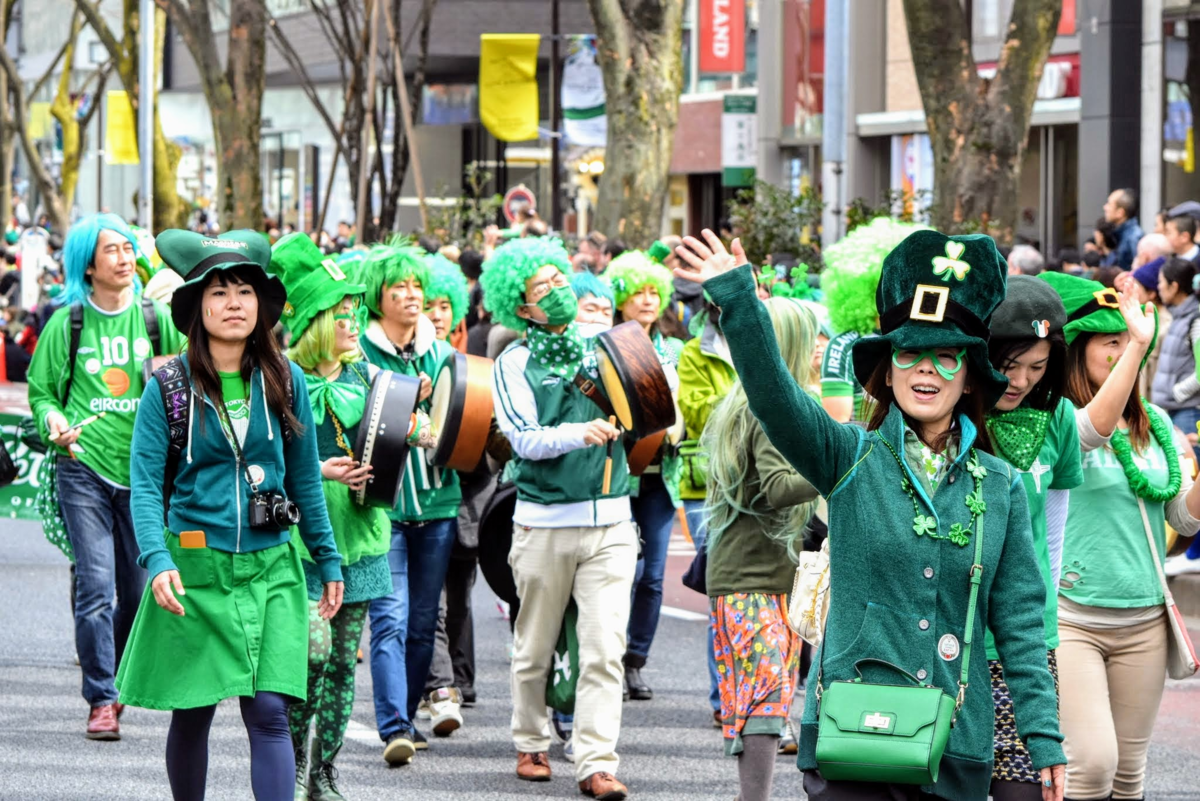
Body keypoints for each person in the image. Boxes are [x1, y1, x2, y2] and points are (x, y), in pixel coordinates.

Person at [674, 228, 1067, 801]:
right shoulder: (848, 456)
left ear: (969, 377)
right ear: (887, 369)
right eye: (909, 353)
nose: (926, 370)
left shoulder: (1001, 484)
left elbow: (1021, 624)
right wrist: (738, 298)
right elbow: (775, 397)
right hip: (853, 734)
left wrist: (1043, 736)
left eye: (946, 356)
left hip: (956, 743)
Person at [115, 230, 344, 801]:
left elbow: (306, 479)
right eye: (219, 293)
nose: (234, 303)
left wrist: (329, 558)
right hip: (196, 571)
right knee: (192, 713)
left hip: (273, 568)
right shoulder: (167, 386)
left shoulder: (286, 379)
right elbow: (144, 486)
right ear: (198, 308)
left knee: (269, 711)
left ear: (261, 306)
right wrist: (157, 558)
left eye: (244, 290)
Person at [484, 236, 634, 800]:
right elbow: (522, 438)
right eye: (542, 287)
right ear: (522, 308)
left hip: (614, 523)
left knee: (602, 648)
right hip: (543, 523)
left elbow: (650, 396)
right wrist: (581, 433)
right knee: (534, 646)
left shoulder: (604, 344)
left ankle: (595, 760)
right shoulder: (513, 362)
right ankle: (530, 741)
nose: (558, 291)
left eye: (559, 278)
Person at [1041, 271, 1200, 801]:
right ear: (1078, 350)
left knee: (1130, 774)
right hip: (1072, 618)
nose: (1126, 349)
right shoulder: (1061, 422)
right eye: (1111, 341)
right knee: (1091, 765)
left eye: (1130, 342)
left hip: (1145, 620)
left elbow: (1182, 519)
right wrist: (1137, 346)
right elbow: (1094, 431)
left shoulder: (1157, 424)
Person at [26, 213, 185, 740]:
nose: (123, 257)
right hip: (83, 470)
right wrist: (54, 421)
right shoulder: (67, 323)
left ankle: (112, 673)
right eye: (110, 250)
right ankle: (102, 697)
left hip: (141, 474)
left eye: (126, 247)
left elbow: (182, 380)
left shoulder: (156, 318)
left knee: (138, 595)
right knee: (95, 588)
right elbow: (43, 391)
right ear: (87, 266)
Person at [271, 233, 400, 798]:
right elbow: (259, 458)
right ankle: (294, 765)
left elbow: (403, 432)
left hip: (362, 536)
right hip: (299, 540)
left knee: (346, 664)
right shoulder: (276, 379)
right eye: (340, 312)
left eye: (354, 311)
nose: (352, 321)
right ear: (313, 320)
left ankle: (325, 773)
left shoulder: (369, 376)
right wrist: (321, 470)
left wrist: (416, 431)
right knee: (312, 655)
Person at [703, 297, 820, 801]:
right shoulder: (768, 408)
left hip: (750, 575)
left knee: (758, 699)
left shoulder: (745, 397)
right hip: (754, 578)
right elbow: (777, 487)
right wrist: (836, 462)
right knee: (767, 702)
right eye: (812, 339)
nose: (820, 350)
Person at [358, 242, 461, 764]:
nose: (410, 296)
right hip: (384, 508)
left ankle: (411, 715)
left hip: (439, 504)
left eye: (417, 286)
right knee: (390, 619)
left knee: (424, 622)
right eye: (398, 287)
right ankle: (394, 724)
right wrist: (405, 402)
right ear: (377, 297)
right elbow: (360, 423)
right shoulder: (358, 352)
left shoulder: (443, 354)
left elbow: (462, 422)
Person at [984, 277, 1083, 801]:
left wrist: (1049, 611)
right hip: (955, 633)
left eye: (1038, 367)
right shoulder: (954, 416)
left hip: (1026, 638)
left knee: (1024, 787)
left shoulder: (1058, 416)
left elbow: (1053, 527)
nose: (1022, 380)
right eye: (1011, 364)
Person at [605, 250, 684, 702]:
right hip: (617, 475)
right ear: (621, 298)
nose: (649, 300)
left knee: (652, 575)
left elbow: (683, 411)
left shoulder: (672, 349)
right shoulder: (608, 343)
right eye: (640, 292)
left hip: (661, 475)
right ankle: (607, 659)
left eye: (655, 292)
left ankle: (636, 660)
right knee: (620, 573)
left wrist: (676, 428)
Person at [417, 251, 475, 737]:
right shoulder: (411, 361)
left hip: (465, 496)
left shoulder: (470, 360)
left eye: (443, 305)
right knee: (428, 606)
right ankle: (441, 686)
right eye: (426, 305)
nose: (436, 314)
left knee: (459, 598)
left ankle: (459, 678)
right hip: (417, 500)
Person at [676, 291, 737, 728]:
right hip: (707, 484)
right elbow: (697, 413)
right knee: (719, 589)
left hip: (759, 488)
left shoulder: (770, 342)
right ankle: (724, 698)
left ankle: (762, 701)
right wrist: (746, 395)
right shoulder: (694, 353)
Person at [819, 218, 923, 422]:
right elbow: (836, 426)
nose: (900, 293)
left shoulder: (926, 341)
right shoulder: (844, 346)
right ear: (868, 286)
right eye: (889, 284)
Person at [1149, 258, 1200, 464]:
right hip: (1173, 410)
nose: (1158, 287)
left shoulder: (1195, 319)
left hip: (1187, 412)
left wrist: (1178, 393)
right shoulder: (1179, 316)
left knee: (1190, 471)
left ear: (1175, 286)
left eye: (1161, 282)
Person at [1102, 188, 1144, 270]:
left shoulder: (1133, 237)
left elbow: (1139, 272)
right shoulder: (1120, 235)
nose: (1105, 207)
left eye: (1109, 204)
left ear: (1120, 213)